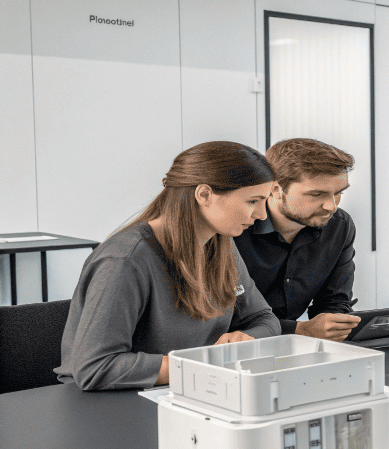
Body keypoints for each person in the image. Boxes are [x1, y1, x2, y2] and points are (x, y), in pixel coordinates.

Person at [56, 141, 282, 390]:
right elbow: (96, 367)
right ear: (204, 194)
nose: (262, 215)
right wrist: (202, 365)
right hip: (108, 403)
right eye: (253, 201)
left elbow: (265, 319)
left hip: (186, 388)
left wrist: (247, 338)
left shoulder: (221, 245)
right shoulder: (124, 261)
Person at [234, 138, 361, 341]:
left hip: (296, 347)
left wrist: (335, 326)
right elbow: (224, 321)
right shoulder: (233, 229)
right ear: (275, 190)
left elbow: (334, 303)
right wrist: (299, 330)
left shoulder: (339, 225)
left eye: (338, 193)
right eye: (317, 194)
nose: (331, 206)